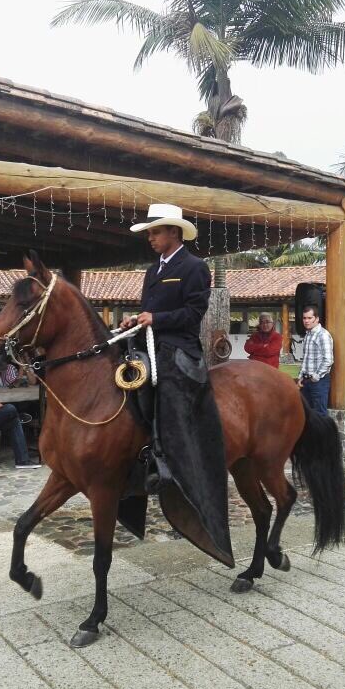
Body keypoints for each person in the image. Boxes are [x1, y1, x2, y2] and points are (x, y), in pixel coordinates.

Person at [121, 202, 233, 568]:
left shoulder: (195, 267)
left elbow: (193, 314)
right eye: (150, 233)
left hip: (180, 350)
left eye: (155, 232)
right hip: (149, 343)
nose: (150, 238)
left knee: (170, 393)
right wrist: (135, 321)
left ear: (174, 232)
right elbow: (149, 312)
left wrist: (157, 318)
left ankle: (169, 460)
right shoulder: (154, 270)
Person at [297, 305, 333, 416]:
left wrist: (316, 376)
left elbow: (328, 360)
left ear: (316, 319)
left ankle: (323, 434)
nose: (306, 321)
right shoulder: (308, 334)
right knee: (306, 414)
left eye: (309, 318)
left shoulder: (323, 335)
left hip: (319, 382)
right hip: (306, 381)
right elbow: (306, 359)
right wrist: (300, 377)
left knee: (320, 415)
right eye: (304, 318)